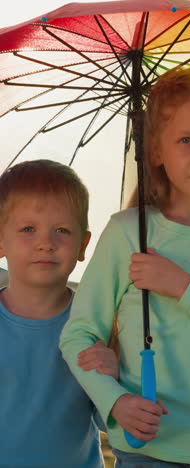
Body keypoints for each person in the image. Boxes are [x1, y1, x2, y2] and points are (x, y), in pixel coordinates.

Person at [60, 65, 190, 467]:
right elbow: (79, 337)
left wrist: (186, 287)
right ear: (155, 150)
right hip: (146, 451)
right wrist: (115, 401)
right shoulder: (126, 234)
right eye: (186, 140)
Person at [0, 159, 119, 468]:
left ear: (83, 244)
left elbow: (117, 429)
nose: (45, 243)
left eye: (62, 231)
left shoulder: (97, 326)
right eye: (28, 228)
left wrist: (115, 380)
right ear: (1, 239)